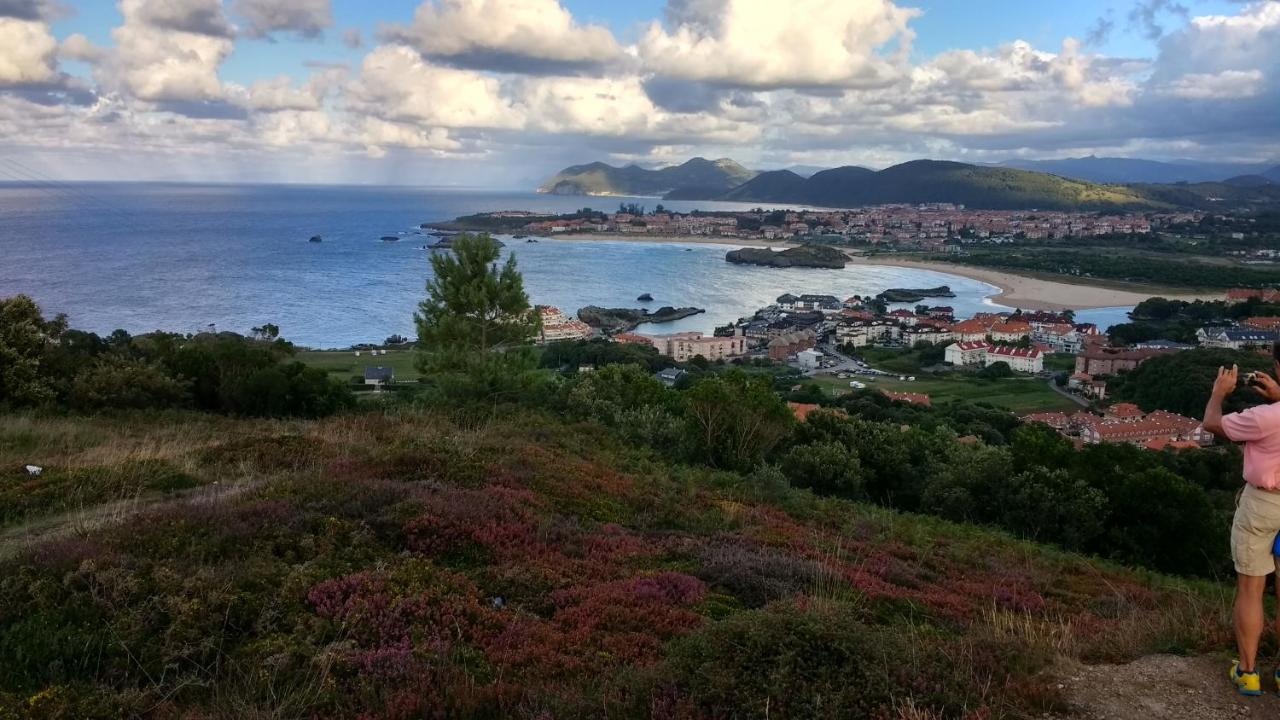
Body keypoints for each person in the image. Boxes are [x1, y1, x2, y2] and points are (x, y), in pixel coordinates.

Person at [1202, 359, 1280, 696]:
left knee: (1251, 588)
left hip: (1264, 503)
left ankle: (1248, 672)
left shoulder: (1265, 418)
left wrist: (1219, 394)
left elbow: (1212, 424)